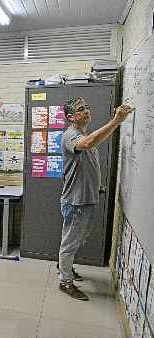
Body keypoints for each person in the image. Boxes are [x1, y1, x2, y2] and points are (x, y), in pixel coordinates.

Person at [58, 98, 133, 301]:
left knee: (76, 240)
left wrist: (96, 188)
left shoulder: (82, 135)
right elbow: (89, 143)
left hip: (86, 198)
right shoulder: (70, 136)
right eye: (81, 109)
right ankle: (65, 282)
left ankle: (65, 266)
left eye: (87, 107)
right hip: (76, 201)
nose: (87, 111)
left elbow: (88, 165)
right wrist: (116, 121)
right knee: (70, 243)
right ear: (71, 117)